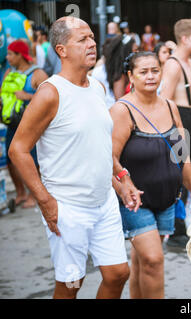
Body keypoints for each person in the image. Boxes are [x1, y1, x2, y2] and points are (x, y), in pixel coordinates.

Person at [8, 16, 129, 299]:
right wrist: (46, 202)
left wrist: (120, 178)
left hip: (104, 203)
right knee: (71, 284)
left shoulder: (97, 88)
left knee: (118, 273)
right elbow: (18, 149)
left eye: (92, 38)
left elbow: (99, 143)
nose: (92, 44)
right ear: (61, 50)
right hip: (68, 206)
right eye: (82, 39)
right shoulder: (50, 92)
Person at [109, 51, 191, 298]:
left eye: (155, 70)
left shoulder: (171, 107)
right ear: (131, 75)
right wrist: (123, 188)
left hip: (167, 198)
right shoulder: (121, 110)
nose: (150, 76)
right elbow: (109, 158)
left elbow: (182, 154)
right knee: (154, 259)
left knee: (143, 261)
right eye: (143, 71)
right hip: (136, 201)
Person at [160, 18, 191, 247]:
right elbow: (165, 99)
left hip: (189, 119)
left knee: (188, 172)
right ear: (185, 38)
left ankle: (179, 226)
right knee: (180, 174)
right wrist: (174, 132)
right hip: (179, 122)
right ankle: (174, 230)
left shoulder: (187, 62)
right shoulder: (174, 64)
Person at [2, 40, 47, 209]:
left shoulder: (38, 74)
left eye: (11, 54)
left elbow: (52, 100)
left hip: (31, 125)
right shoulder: (8, 72)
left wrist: (27, 96)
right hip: (12, 123)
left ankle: (33, 195)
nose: (7, 57)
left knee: (32, 160)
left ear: (20, 55)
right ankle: (21, 193)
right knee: (10, 159)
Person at [91, 35, 137, 108]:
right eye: (135, 50)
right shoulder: (119, 74)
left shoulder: (108, 67)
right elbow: (120, 102)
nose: (137, 53)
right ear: (127, 52)